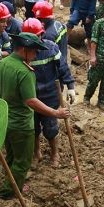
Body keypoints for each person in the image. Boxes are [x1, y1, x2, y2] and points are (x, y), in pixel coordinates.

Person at [0, 32, 71, 198]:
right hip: (21, 124)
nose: (36, 55)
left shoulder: (3, 64)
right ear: (24, 50)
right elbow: (31, 101)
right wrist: (55, 113)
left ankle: (9, 181)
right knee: (22, 161)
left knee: (11, 156)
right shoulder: (25, 72)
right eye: (34, 51)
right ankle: (9, 192)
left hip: (5, 119)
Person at [24, 18, 76, 166]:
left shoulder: (51, 48)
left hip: (50, 95)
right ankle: (36, 153)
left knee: (50, 127)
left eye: (39, 36)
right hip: (31, 96)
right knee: (33, 127)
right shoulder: (24, 52)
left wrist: (70, 86)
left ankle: (55, 153)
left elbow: (63, 68)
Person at [33, 0, 69, 65]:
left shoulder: (48, 35)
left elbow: (46, 56)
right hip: (63, 58)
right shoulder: (58, 24)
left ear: (41, 18)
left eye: (37, 18)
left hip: (57, 65)